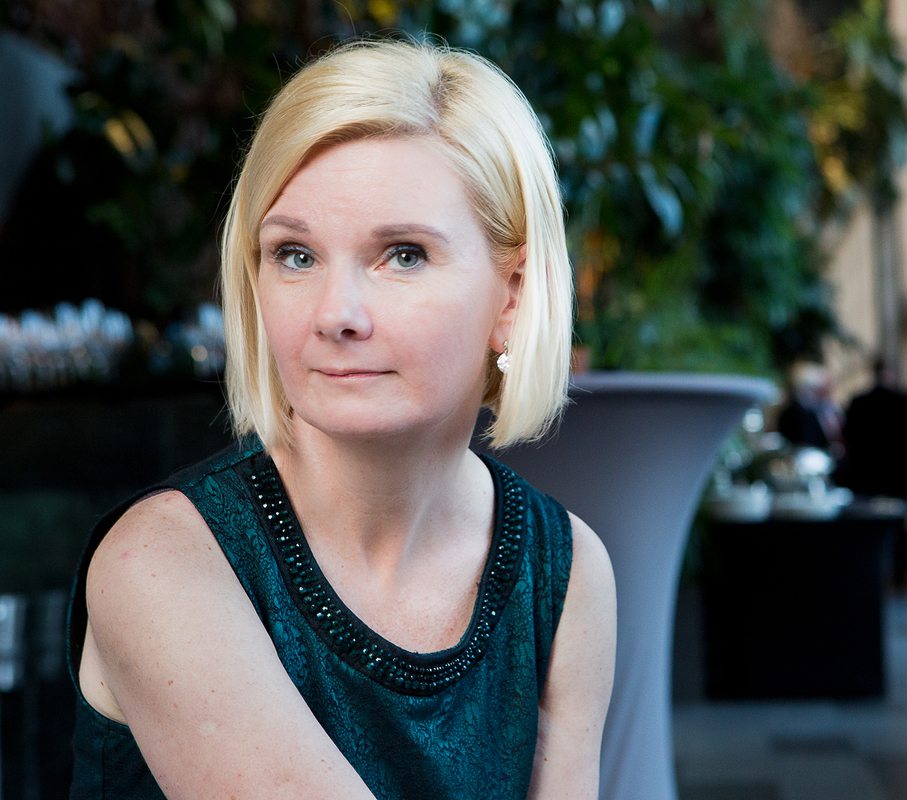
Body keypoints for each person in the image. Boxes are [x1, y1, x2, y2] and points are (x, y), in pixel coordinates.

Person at [66, 40, 617, 799]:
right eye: (295, 255)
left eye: (403, 254)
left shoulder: (564, 569)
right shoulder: (160, 562)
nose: (336, 314)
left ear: (513, 295)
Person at [843, 357, 907, 586]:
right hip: (895, 473)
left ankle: (866, 572)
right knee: (899, 526)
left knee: (865, 524)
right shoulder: (902, 402)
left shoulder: (858, 402)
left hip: (865, 473)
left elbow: (847, 435)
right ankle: (899, 574)